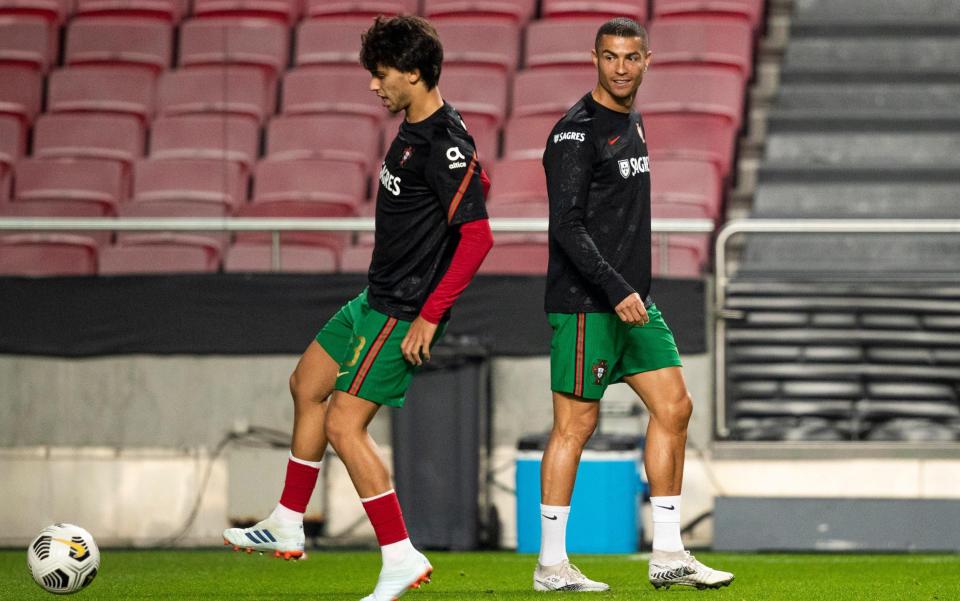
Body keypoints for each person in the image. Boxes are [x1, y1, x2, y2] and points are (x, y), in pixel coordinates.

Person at [223, 15, 493, 601]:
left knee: (345, 423)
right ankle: (288, 522)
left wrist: (428, 315)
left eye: (382, 74)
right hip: (373, 297)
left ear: (415, 73)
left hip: (402, 312)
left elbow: (477, 238)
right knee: (306, 385)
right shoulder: (415, 127)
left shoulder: (446, 142)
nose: (374, 85)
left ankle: (400, 556)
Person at [533, 17, 734, 592]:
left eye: (631, 58)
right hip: (586, 302)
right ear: (593, 58)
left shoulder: (634, 121)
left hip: (634, 299)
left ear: (648, 60)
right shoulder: (575, 133)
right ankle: (551, 564)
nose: (620, 68)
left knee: (674, 407)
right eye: (610, 57)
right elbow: (566, 227)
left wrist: (629, 290)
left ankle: (668, 552)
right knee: (575, 425)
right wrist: (614, 288)